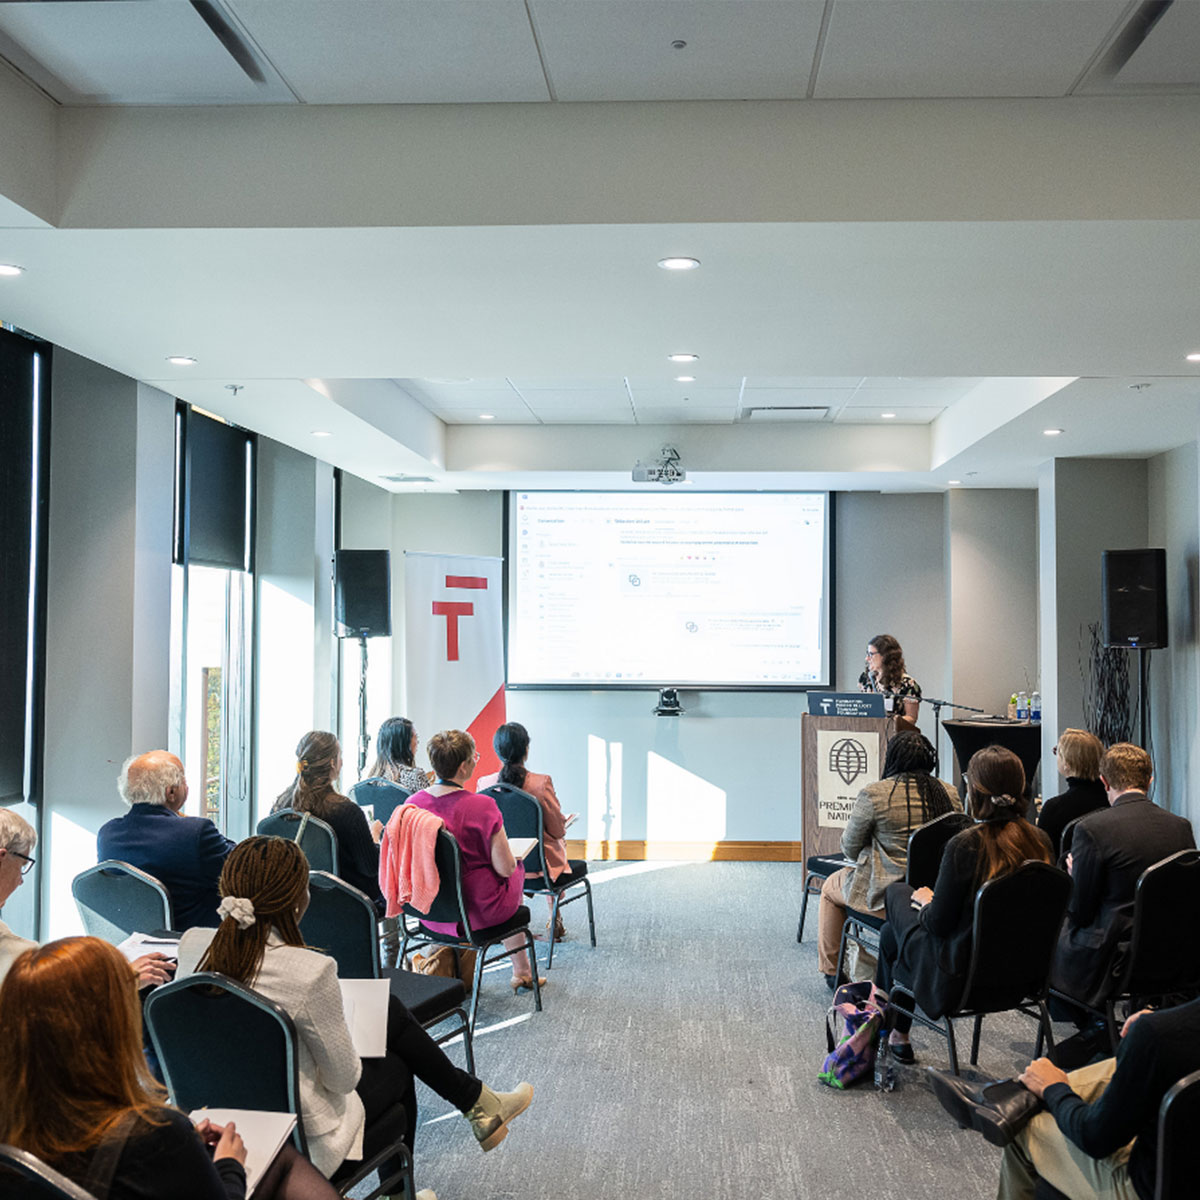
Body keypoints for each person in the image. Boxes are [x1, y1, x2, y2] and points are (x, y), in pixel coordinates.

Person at [175, 837, 533, 1189]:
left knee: (386, 1011)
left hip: (209, 1122)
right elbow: (344, 1079)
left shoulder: (192, 946)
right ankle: (406, 1183)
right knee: (397, 1061)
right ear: (299, 901)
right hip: (300, 1135)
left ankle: (478, 1103)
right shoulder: (309, 971)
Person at [0, 935, 343, 1200]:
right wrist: (228, 1165)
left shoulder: (14, 1124)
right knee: (283, 1160)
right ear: (112, 1029)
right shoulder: (154, 1135)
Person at [874, 744, 1054, 1063]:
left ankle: (887, 1031)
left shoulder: (965, 844)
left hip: (961, 980)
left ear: (974, 791)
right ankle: (895, 1033)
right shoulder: (1040, 841)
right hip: (1024, 977)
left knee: (897, 898)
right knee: (890, 935)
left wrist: (928, 902)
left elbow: (937, 924)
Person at [931, 997, 1200, 1200]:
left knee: (1021, 1128)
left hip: (1153, 1187)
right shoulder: (1165, 1033)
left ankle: (1013, 1101)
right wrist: (1158, 1024)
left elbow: (1094, 1138)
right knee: (1121, 1063)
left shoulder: (1158, 1036)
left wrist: (1054, 1089)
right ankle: (1013, 1096)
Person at [1050, 741, 1195, 1013]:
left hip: (1114, 957)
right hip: (1172, 948)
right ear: (1150, 781)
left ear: (1104, 782)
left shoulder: (1091, 829)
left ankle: (1087, 1024)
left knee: (1057, 927)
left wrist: (1074, 875)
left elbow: (1081, 911)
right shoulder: (1181, 827)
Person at [816, 731, 961, 987]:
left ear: (891, 759)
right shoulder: (949, 794)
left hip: (886, 901)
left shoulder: (875, 794)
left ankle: (832, 972)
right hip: (935, 899)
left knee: (829, 888)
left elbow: (848, 849)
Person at [407, 730, 542, 990]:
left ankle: (517, 970)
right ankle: (521, 971)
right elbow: (504, 868)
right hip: (477, 914)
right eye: (474, 757)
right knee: (514, 871)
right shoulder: (482, 806)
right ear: (463, 766)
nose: (475, 761)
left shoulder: (412, 804)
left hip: (428, 911)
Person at [1, 808, 172, 989]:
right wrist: (125, 979)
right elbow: (61, 999)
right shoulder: (18, 957)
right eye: (22, 866)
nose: (20, 881)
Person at [97, 751, 235, 930]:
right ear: (171, 791)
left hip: (130, 944)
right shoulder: (195, 831)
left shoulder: (107, 834)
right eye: (183, 780)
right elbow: (240, 866)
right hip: (189, 944)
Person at [478, 721, 582, 942]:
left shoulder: (484, 785)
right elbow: (556, 829)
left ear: (497, 751)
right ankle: (555, 916)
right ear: (526, 750)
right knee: (554, 843)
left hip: (501, 866)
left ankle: (515, 919)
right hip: (539, 869)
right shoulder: (541, 783)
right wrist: (564, 824)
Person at [272, 731, 385, 914]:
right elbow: (370, 868)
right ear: (333, 763)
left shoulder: (279, 809)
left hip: (294, 904)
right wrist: (374, 838)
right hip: (351, 905)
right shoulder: (347, 811)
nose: (342, 762)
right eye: (340, 756)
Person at [1037, 728, 1106, 858]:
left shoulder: (1054, 809)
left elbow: (1043, 857)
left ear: (1067, 764)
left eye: (1058, 752)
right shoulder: (1113, 801)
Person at [857, 634, 921, 725]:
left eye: (871, 654)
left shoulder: (908, 684)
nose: (867, 659)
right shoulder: (865, 679)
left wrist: (888, 723)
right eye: (867, 654)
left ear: (885, 656)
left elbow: (911, 718)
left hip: (896, 735)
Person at [368, 717, 432, 793]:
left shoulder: (370, 782)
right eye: (415, 737)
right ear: (404, 744)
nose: (417, 742)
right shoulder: (415, 776)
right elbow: (428, 803)